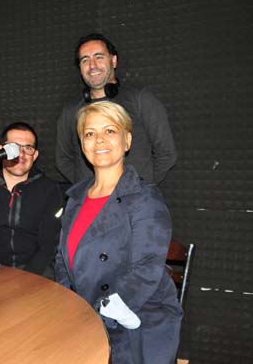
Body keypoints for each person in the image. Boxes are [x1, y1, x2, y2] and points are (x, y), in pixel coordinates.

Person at [55, 101, 182, 364]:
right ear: (82, 144)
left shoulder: (145, 198)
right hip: (85, 314)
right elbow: (62, 260)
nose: (99, 139)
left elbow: (147, 267)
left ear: (127, 141)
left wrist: (99, 313)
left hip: (137, 319)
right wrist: (68, 305)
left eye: (110, 130)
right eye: (89, 133)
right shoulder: (75, 198)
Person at [56, 33, 177, 185]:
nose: (92, 65)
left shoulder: (140, 99)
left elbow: (166, 153)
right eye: (85, 60)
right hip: (90, 198)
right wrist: (86, 186)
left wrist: (141, 187)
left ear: (113, 61)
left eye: (99, 57)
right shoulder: (70, 111)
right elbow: (63, 160)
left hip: (133, 198)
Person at [0, 122, 63, 278]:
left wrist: (24, 280)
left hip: (35, 273)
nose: (21, 154)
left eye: (28, 148)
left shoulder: (50, 190)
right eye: (14, 147)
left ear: (35, 155)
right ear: (0, 151)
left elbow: (48, 247)